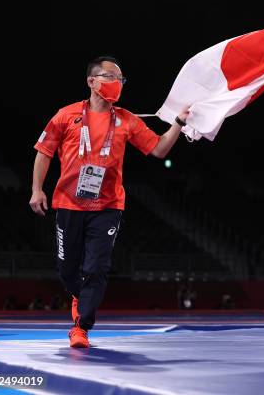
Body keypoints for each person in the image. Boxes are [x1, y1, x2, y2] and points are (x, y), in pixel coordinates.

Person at [29, 56, 188, 348]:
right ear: (92, 81)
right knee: (67, 270)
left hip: (108, 206)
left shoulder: (126, 120)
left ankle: (82, 328)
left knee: (97, 267)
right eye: (110, 76)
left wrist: (178, 122)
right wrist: (37, 190)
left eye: (121, 79)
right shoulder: (66, 115)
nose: (117, 83)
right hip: (67, 203)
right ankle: (79, 295)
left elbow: (159, 149)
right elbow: (44, 151)